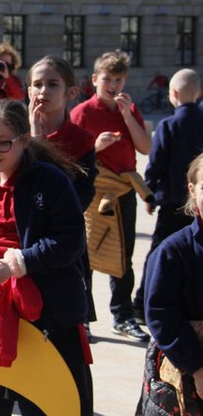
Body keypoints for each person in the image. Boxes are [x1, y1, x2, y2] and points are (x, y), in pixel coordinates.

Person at [0, 99, 93, 416]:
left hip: (50, 307)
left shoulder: (51, 180)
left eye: (2, 143)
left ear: (24, 139)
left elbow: (70, 241)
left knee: (53, 400)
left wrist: (16, 264)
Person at [70, 50, 152, 342]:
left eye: (119, 80)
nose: (114, 85)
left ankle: (123, 315)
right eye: (108, 79)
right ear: (95, 80)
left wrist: (128, 116)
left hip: (123, 192)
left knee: (123, 255)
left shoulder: (128, 109)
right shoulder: (82, 113)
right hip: (93, 192)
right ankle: (84, 318)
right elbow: (68, 156)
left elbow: (145, 147)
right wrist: (96, 148)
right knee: (87, 256)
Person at [27, 55, 98, 339]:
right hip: (23, 239)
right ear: (28, 91)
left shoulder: (80, 140)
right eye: (37, 84)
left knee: (64, 329)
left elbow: (79, 195)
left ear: (71, 92)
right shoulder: (15, 133)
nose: (43, 91)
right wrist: (31, 136)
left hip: (63, 241)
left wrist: (39, 143)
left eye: (52, 84)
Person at [132, 69, 203, 322]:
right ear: (199, 94)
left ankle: (142, 304)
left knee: (159, 254)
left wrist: (150, 195)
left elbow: (155, 165)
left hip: (173, 203)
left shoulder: (169, 125)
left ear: (173, 94)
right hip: (199, 206)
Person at [135, 152, 203, 415]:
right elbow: (161, 315)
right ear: (192, 190)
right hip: (184, 363)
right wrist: (197, 367)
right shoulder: (172, 251)